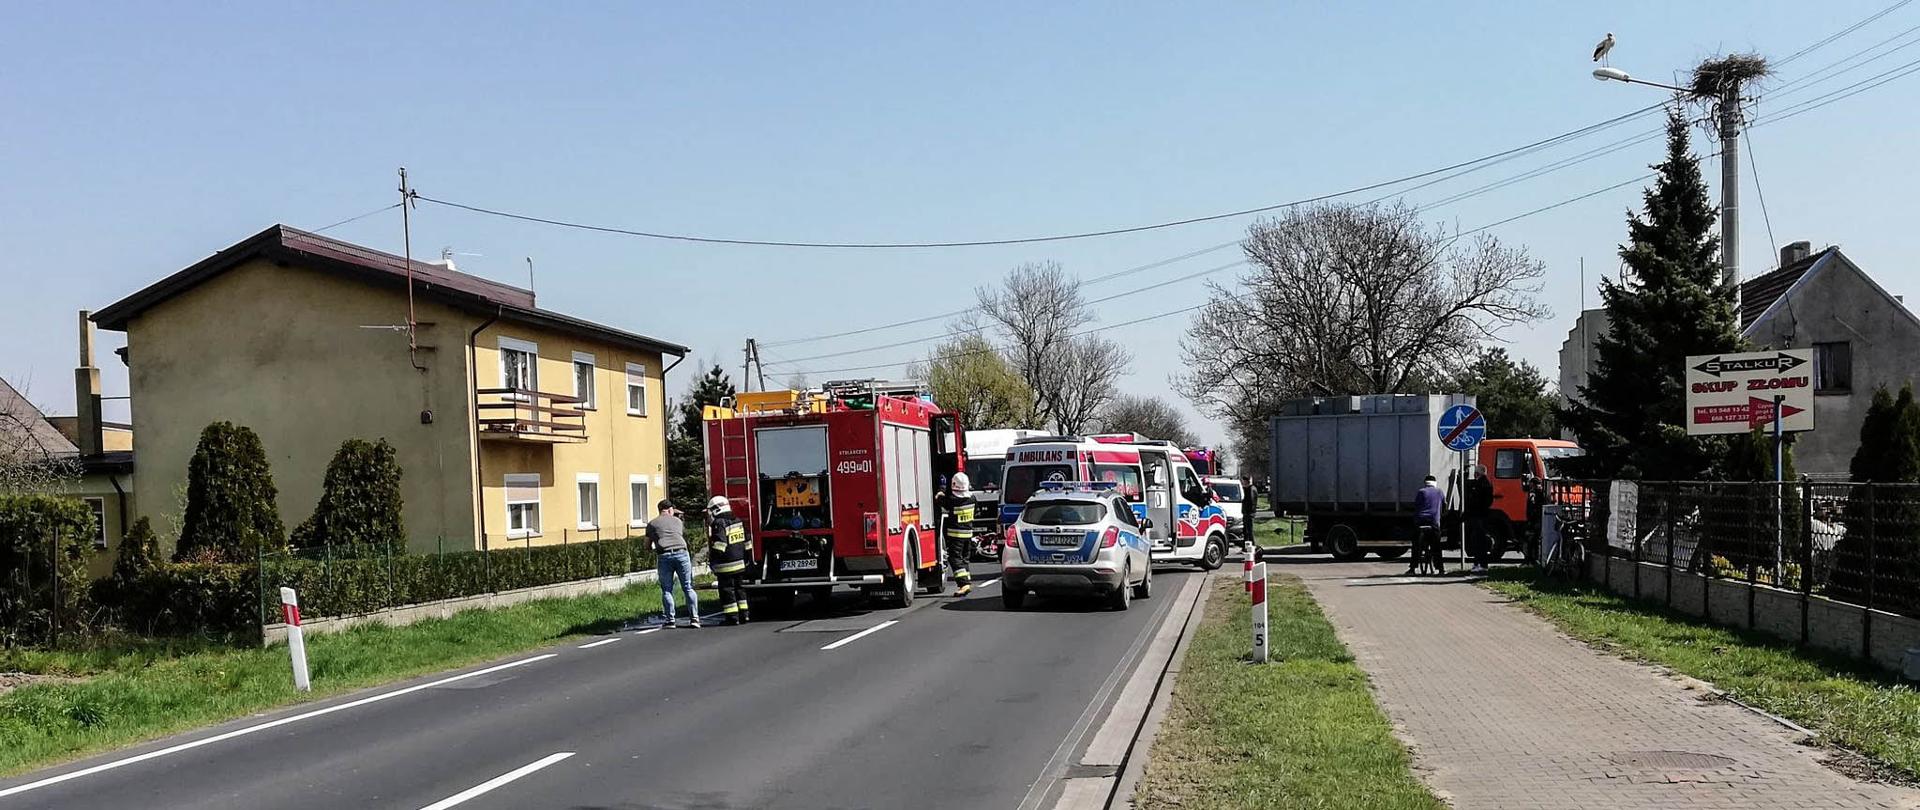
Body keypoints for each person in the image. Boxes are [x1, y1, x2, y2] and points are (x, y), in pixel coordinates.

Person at [647, 499, 700, 628]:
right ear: (670, 510)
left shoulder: (652, 524)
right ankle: (694, 619)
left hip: (664, 555)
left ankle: (670, 620)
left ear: (659, 510)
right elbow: (681, 536)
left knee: (667, 589)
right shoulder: (678, 521)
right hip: (681, 553)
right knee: (688, 587)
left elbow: (646, 545)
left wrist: (656, 547)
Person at [706, 495, 751, 625]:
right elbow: (747, 542)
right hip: (740, 563)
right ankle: (745, 615)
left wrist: (712, 559)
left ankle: (732, 618)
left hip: (726, 565)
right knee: (740, 590)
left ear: (716, 509)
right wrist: (747, 557)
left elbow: (720, 545)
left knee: (727, 591)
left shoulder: (719, 523)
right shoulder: (737, 520)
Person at [936, 472, 975, 597]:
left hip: (956, 536)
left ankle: (963, 584)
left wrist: (941, 488)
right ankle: (967, 582)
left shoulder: (953, 501)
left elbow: (940, 499)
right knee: (964, 560)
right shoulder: (972, 498)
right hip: (968, 535)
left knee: (955, 559)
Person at [1409, 474, 1444, 575]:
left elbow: (1416, 506)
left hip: (1421, 522)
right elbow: (1444, 506)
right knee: (1436, 546)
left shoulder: (1421, 492)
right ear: (1435, 483)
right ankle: (1440, 569)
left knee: (1416, 545)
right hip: (1433, 522)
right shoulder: (1439, 492)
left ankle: (1413, 568)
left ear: (1425, 483)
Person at [1465, 465, 1495, 574]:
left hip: (1479, 516)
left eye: (1475, 472)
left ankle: (1481, 564)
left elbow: (1476, 500)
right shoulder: (1486, 483)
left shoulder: (1481, 484)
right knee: (1478, 540)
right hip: (1482, 515)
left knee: (1479, 541)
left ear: (1478, 473)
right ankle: (1478, 563)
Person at [1240, 475, 1257, 550]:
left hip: (1249, 513)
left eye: (1243, 481)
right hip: (1247, 512)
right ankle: (1246, 546)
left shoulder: (1251, 489)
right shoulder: (1248, 489)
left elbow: (1251, 501)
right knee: (1246, 530)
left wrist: (1248, 511)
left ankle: (1252, 545)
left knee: (1249, 530)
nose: (1243, 483)